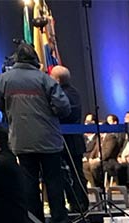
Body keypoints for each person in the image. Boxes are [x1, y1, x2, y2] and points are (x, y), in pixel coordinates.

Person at [0, 42, 71, 223]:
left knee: (29, 184)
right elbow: (64, 107)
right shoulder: (45, 79)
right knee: (54, 183)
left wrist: (13, 111)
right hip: (49, 139)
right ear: (35, 60)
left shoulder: (4, 79)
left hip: (21, 140)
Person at [49, 65, 89, 213]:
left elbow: (64, 114)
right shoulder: (72, 92)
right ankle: (75, 203)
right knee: (70, 174)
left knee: (75, 175)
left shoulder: (66, 95)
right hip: (69, 140)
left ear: (57, 80)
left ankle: (80, 205)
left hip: (70, 141)